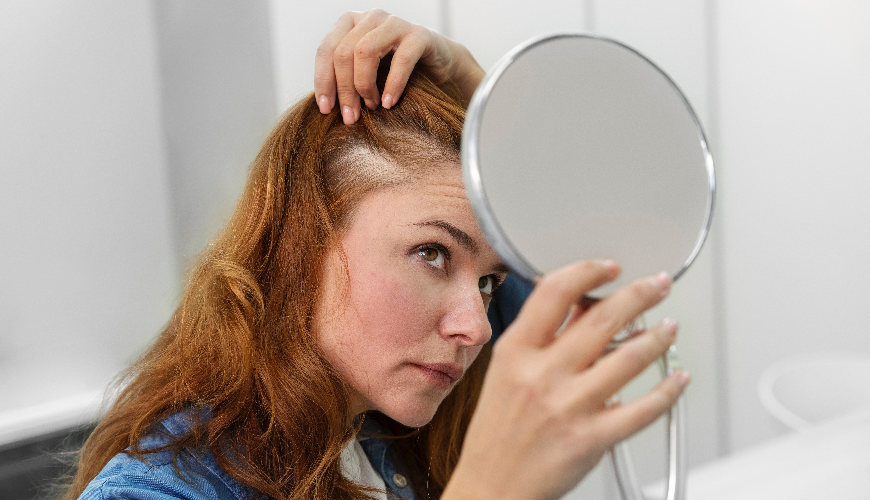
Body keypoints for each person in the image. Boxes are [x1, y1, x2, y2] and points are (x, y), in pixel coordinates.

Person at [65, 10, 689, 500]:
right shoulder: (157, 492)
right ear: (302, 242)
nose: (474, 328)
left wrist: (483, 102)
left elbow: (595, 257)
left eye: (490, 284)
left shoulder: (379, 423)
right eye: (433, 254)